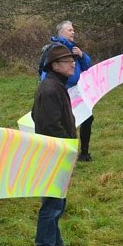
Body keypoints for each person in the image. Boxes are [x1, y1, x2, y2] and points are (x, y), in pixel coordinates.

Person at [32, 44, 78, 246]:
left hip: (58, 152)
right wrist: (67, 148)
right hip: (54, 154)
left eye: (72, 60)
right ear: (55, 66)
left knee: (58, 201)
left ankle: (55, 242)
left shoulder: (56, 85)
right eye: (68, 61)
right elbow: (50, 125)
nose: (73, 64)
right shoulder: (50, 89)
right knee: (52, 204)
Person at [39, 21, 94, 162]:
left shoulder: (73, 48)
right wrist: (50, 88)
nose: (73, 32)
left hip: (76, 91)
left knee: (87, 118)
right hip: (63, 91)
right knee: (63, 121)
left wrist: (81, 55)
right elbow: (47, 73)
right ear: (61, 32)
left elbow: (87, 66)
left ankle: (84, 152)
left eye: (73, 29)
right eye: (70, 30)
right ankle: (63, 155)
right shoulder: (55, 50)